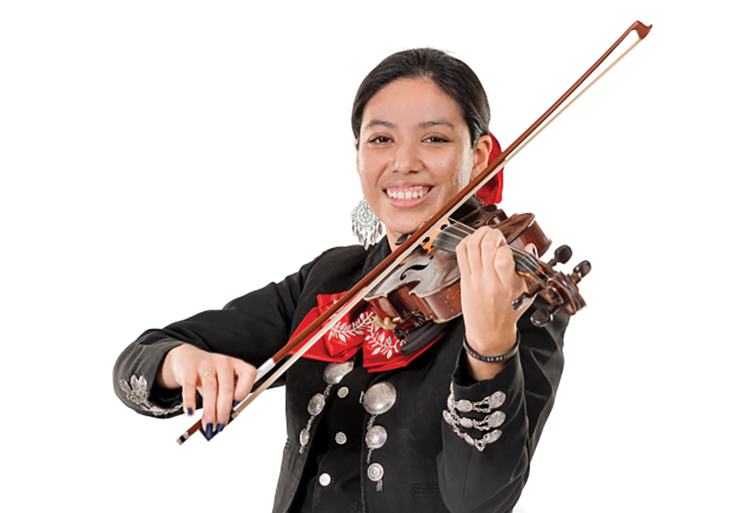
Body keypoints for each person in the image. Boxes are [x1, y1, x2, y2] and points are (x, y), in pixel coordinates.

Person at [113, 48, 568, 513]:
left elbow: (480, 499)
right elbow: (141, 357)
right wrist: (185, 363)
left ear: (480, 155)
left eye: (433, 139)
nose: (404, 162)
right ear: (357, 156)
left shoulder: (514, 299)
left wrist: (489, 345)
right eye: (381, 140)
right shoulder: (333, 277)